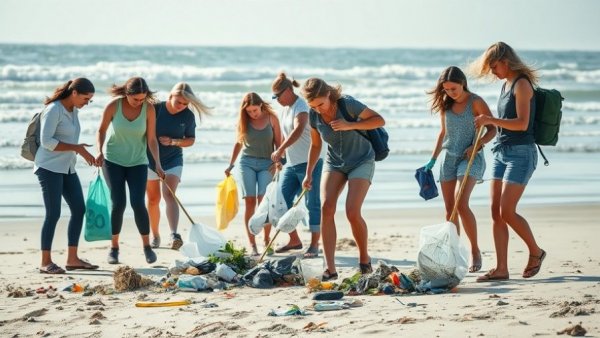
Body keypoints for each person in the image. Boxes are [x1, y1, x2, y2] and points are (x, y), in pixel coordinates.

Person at [470, 42, 546, 281]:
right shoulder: (505, 85)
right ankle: (501, 268)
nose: (493, 71)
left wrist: (489, 119)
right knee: (495, 212)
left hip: (521, 153)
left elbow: (522, 124)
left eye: (494, 66)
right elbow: (503, 123)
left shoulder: (522, 84)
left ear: (506, 61)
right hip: (501, 152)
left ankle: (536, 251)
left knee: (507, 211)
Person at [301, 78, 385, 281]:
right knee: (326, 207)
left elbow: (379, 120)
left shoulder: (348, 104)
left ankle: (364, 260)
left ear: (328, 94)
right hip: (334, 162)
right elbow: (315, 145)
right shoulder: (314, 115)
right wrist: (309, 172)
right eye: (313, 106)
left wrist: (349, 125)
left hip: (362, 160)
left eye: (321, 104)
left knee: (352, 211)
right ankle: (330, 268)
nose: (318, 109)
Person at [424, 66, 496, 273]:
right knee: (449, 209)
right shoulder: (445, 105)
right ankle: (454, 252)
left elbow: (493, 128)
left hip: (470, 156)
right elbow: (443, 133)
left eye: (453, 89)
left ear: (463, 83)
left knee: (461, 203)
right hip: (448, 157)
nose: (450, 93)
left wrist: (478, 144)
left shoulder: (476, 102)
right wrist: (432, 160)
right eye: (446, 89)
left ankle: (475, 250)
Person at [96, 77, 164, 265]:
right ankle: (114, 248)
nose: (139, 103)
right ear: (127, 94)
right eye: (136, 99)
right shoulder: (113, 106)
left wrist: (157, 163)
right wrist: (99, 151)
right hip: (112, 161)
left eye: (142, 99)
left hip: (138, 162)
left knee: (137, 203)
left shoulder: (149, 109)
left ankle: (147, 247)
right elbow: (101, 130)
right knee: (118, 203)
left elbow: (151, 139)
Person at [34, 78, 99, 274]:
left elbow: (69, 139)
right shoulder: (54, 109)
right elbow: (47, 142)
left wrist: (82, 152)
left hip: (67, 168)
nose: (87, 103)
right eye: (86, 98)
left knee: (79, 209)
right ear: (74, 93)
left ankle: (72, 259)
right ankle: (45, 262)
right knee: (53, 213)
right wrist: (78, 149)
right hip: (48, 167)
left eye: (90, 100)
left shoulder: (74, 111)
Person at [146, 82, 211, 250]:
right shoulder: (155, 109)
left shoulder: (188, 116)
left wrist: (174, 141)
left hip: (173, 159)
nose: (182, 106)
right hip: (149, 159)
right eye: (179, 102)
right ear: (170, 96)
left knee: (170, 194)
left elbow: (190, 140)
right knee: (153, 199)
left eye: (185, 104)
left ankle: (174, 234)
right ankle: (155, 234)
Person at [270, 72, 323, 258]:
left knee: (312, 203)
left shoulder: (301, 106)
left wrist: (281, 149)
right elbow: (285, 134)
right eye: (273, 97)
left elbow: (299, 129)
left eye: (277, 96)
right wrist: (280, 155)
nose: (276, 100)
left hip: (311, 162)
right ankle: (294, 240)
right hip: (292, 165)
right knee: (281, 201)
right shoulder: (284, 109)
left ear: (287, 91)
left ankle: (315, 244)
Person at [225, 92, 283, 256]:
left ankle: (266, 240)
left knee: (264, 202)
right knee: (250, 201)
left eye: (255, 110)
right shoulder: (244, 119)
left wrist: (279, 161)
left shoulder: (272, 118)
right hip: (246, 163)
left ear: (261, 106)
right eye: (249, 111)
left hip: (267, 164)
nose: (252, 114)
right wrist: (230, 165)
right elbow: (238, 143)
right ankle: (252, 244)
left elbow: (279, 143)